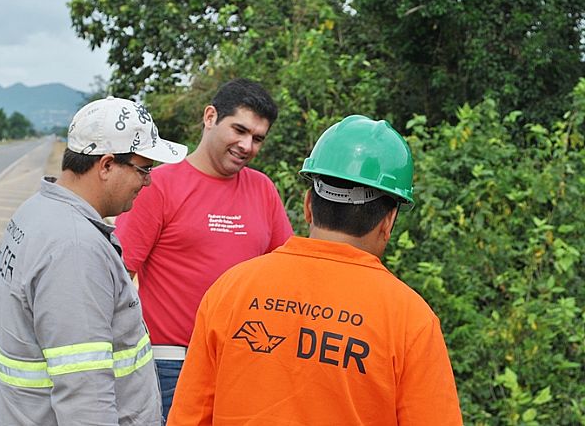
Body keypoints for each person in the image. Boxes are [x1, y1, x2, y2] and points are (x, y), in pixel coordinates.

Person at [168, 115, 463, 425]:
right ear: (388, 222)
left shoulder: (231, 290)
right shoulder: (411, 321)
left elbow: (189, 416)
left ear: (308, 204)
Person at [0, 96, 188, 426]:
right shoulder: (75, 248)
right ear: (106, 165)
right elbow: (85, 396)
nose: (148, 181)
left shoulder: (36, 212)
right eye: (143, 169)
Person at [114, 78, 294, 417]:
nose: (246, 145)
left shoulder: (263, 190)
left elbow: (286, 272)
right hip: (172, 367)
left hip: (242, 364)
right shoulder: (159, 185)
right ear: (210, 117)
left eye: (257, 138)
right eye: (239, 130)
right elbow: (118, 276)